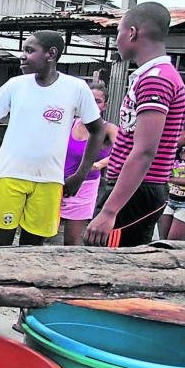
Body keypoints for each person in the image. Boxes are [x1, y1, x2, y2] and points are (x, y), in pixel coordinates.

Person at [0, 30, 107, 330]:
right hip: (10, 178)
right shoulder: (15, 85)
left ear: (51, 54)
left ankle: (26, 314)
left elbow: (97, 130)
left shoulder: (75, 89)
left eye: (30, 50)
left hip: (48, 182)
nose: (23, 56)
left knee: (33, 253)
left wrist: (80, 174)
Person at [86, 2, 185, 247]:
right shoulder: (150, 76)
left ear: (132, 32)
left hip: (137, 191)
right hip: (132, 189)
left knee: (109, 267)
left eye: (119, 32)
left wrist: (110, 211)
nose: (117, 39)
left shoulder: (157, 80)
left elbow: (144, 151)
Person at [60, 80, 119, 246]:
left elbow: (123, 152)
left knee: (72, 240)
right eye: (89, 100)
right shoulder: (70, 123)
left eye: (98, 101)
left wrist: (99, 165)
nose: (92, 105)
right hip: (58, 182)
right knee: (42, 232)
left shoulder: (108, 128)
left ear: (105, 106)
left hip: (84, 187)